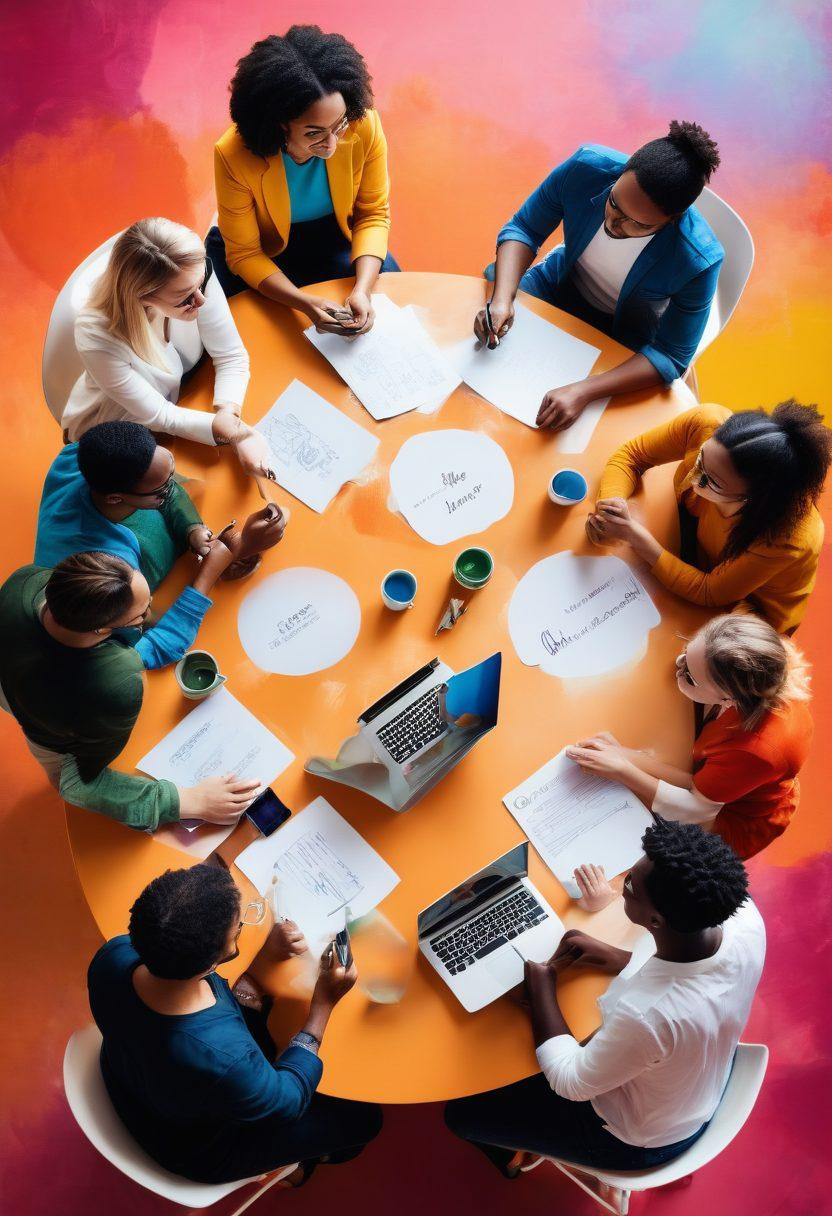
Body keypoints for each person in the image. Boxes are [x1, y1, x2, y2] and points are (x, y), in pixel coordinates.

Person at [445, 818, 764, 1179]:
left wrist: (542, 991)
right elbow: (696, 978)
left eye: (630, 885)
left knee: (461, 1115)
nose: (622, 884)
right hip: (695, 1085)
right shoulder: (744, 919)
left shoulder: (647, 1015)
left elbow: (571, 1081)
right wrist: (620, 958)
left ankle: (516, 1157)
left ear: (656, 920)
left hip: (637, 1139)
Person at [88, 865, 383, 1185]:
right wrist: (322, 1006)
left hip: (129, 1077)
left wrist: (263, 960)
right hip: (194, 1147)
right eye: (238, 929)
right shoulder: (225, 1057)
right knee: (364, 1121)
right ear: (217, 959)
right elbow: (288, 1101)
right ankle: (299, 1167)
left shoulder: (114, 954)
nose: (243, 924)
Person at [475, 121, 723, 431]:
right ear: (620, 175)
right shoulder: (585, 168)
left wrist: (584, 391)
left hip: (625, 333)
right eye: (614, 203)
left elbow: (669, 355)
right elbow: (525, 228)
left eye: (637, 224)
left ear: (672, 220)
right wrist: (501, 300)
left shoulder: (698, 260)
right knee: (483, 367)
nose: (614, 223)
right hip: (555, 286)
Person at [0, 550, 262, 829]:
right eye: (139, 615)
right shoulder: (115, 681)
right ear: (100, 630)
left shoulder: (25, 580)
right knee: (73, 783)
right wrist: (184, 801)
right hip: (51, 729)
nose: (148, 615)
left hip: (12, 675)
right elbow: (88, 774)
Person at [565, 616, 812, 896]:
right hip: (722, 780)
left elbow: (697, 806)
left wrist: (623, 769)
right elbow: (698, 780)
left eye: (691, 676)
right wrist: (626, 756)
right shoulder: (764, 662)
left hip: (731, 817)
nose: (679, 667)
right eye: (687, 652)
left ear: (730, 698)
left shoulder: (756, 749)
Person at [210, 25, 399, 334]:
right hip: (263, 248)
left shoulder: (364, 124)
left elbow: (372, 215)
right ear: (276, 126)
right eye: (313, 133)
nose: (332, 146)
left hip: (336, 237)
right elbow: (245, 253)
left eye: (339, 125)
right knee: (240, 331)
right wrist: (302, 302)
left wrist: (362, 290)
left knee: (388, 299)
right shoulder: (232, 154)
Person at [587, 401, 830, 634]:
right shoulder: (706, 423)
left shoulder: (787, 539)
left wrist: (633, 535)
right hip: (691, 551)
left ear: (753, 499)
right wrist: (612, 503)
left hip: (744, 610)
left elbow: (708, 592)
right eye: (701, 459)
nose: (694, 478)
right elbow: (632, 455)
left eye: (712, 482)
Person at [60, 218, 273, 478]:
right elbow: (160, 416)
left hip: (174, 408)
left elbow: (230, 355)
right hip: (114, 437)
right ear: (142, 296)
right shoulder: (97, 333)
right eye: (185, 298)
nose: (201, 299)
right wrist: (237, 433)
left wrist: (230, 415)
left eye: (201, 282)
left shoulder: (191, 277)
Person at [35, 420, 287, 586]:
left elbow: (170, 491)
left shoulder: (77, 455)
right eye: (162, 487)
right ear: (115, 498)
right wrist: (241, 549)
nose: (173, 487)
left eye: (171, 472)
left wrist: (193, 530)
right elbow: (143, 617)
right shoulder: (107, 564)